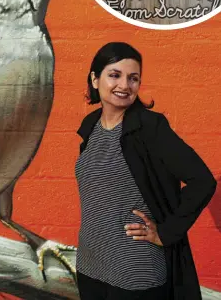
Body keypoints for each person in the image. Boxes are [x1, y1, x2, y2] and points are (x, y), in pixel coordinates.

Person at [75, 42, 217, 300]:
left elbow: (202, 181)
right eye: (114, 75)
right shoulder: (89, 126)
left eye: (133, 78)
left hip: (135, 269)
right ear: (95, 80)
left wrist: (166, 232)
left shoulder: (150, 128)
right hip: (89, 263)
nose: (125, 85)